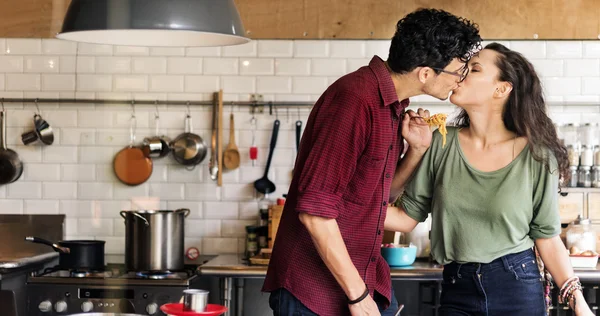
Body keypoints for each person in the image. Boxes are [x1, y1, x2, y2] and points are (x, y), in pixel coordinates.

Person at [262, 8, 481, 316]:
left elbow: (377, 198)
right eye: (458, 71)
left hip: (356, 280)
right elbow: (314, 213)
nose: (460, 80)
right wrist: (358, 296)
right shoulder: (354, 100)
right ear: (426, 73)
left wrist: (415, 151)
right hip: (316, 292)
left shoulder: (391, 107)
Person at [387, 43, 594, 315]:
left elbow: (547, 237)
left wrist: (577, 300)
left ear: (501, 89)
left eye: (474, 69)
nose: (461, 74)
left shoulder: (537, 156)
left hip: (517, 285)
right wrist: (337, 211)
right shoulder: (439, 142)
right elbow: (405, 216)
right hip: (456, 286)